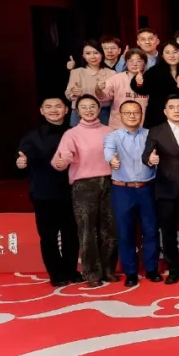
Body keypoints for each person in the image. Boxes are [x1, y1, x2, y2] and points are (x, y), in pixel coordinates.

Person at [17, 96, 81, 286]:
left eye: (58, 106)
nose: (54, 110)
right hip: (44, 194)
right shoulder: (32, 137)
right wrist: (21, 163)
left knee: (71, 235)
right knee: (48, 237)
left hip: (72, 193)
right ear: (42, 111)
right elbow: (22, 161)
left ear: (66, 110)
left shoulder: (75, 133)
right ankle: (56, 274)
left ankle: (71, 271)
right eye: (49, 106)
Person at [52, 95, 115, 287]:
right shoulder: (71, 134)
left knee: (109, 229)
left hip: (110, 182)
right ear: (77, 111)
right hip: (83, 185)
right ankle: (92, 273)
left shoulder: (110, 131)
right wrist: (61, 162)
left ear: (99, 109)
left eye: (92, 106)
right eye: (84, 107)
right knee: (87, 230)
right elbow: (62, 157)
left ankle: (109, 270)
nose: (89, 110)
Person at [143, 95, 179, 283]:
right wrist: (150, 159)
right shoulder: (157, 131)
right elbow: (146, 155)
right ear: (165, 111)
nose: (176, 110)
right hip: (166, 188)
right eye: (171, 107)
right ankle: (173, 269)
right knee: (168, 232)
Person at [103, 100, 160, 287]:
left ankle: (152, 269)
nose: (132, 116)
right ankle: (131, 273)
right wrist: (112, 160)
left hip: (147, 188)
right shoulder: (113, 136)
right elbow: (108, 152)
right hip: (122, 189)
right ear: (120, 115)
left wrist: (155, 159)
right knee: (125, 232)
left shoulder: (151, 134)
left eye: (135, 112)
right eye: (127, 113)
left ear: (141, 114)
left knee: (150, 230)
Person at [131, 41, 179, 129]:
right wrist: (139, 82)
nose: (171, 55)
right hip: (157, 117)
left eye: (175, 52)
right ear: (162, 55)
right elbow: (142, 90)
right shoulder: (154, 71)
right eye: (167, 52)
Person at [65, 40, 115, 126]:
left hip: (103, 112)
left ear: (102, 54)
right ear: (83, 56)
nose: (92, 56)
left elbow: (112, 96)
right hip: (80, 113)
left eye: (96, 53)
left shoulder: (111, 73)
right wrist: (73, 92)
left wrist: (100, 91)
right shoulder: (77, 72)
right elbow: (68, 94)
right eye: (88, 53)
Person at [99, 48, 149, 129]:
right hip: (118, 126)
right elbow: (103, 97)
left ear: (145, 63)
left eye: (139, 61)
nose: (134, 64)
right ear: (126, 62)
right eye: (131, 61)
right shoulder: (116, 78)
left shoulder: (151, 79)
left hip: (142, 126)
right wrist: (98, 89)